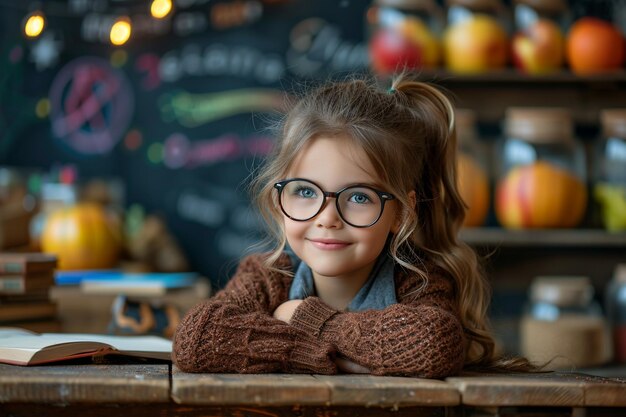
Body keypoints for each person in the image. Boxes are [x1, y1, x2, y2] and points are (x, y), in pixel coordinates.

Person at [173, 73, 529, 378]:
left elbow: (434, 344)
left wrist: (305, 317)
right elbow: (197, 338)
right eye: (304, 192)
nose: (327, 217)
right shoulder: (270, 275)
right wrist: (323, 356)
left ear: (401, 213)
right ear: (278, 202)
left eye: (359, 197)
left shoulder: (416, 280)